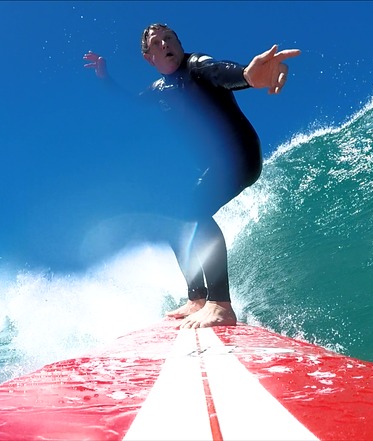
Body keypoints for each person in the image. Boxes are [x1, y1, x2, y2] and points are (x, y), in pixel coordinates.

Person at [84, 23, 300, 328]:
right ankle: (197, 298)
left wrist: (248, 77)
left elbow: (217, 71)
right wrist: (105, 79)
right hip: (215, 166)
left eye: (169, 39)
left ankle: (221, 305)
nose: (165, 45)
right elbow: (130, 107)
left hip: (240, 155)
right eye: (156, 44)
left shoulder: (195, 66)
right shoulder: (159, 91)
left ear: (180, 43)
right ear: (149, 58)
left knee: (193, 211)